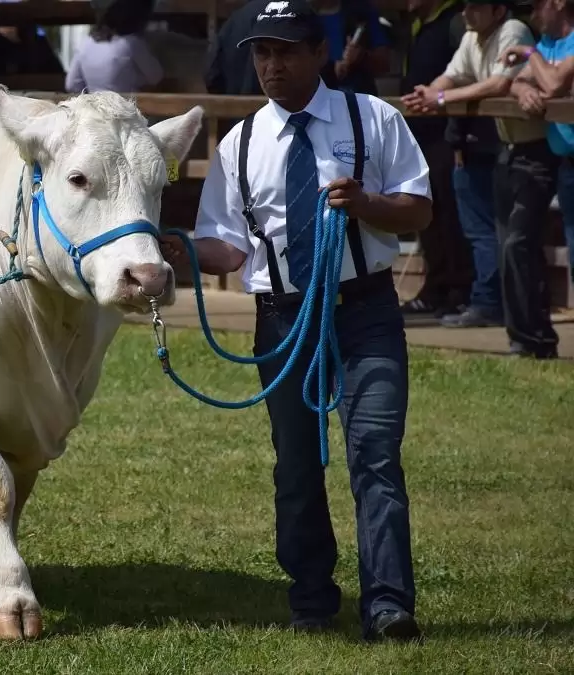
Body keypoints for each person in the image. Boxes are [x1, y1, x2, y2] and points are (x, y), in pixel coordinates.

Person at [161, 0, 430, 642]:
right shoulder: (240, 144)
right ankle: (311, 600)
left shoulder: (374, 118)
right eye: (262, 53)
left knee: (374, 454)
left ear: (318, 53)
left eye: (285, 51)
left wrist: (367, 204)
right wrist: (175, 249)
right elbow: (229, 248)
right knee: (297, 465)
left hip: (364, 312)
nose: (271, 66)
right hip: (283, 321)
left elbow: (419, 210)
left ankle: (388, 605)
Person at [404, 0, 542, 330]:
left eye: (476, 7)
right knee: (484, 232)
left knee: (512, 237)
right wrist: (428, 93)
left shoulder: (513, 30)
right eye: (466, 6)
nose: (467, 13)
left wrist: (440, 99)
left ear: (498, 11)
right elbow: (451, 76)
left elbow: (498, 83)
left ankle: (501, 308)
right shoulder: (471, 35)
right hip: (498, 146)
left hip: (528, 148)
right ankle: (489, 304)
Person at [501, 0, 573, 357]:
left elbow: (556, 84)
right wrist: (524, 90)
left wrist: (530, 54)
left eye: (537, 6)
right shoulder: (547, 46)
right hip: (565, 164)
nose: (532, 16)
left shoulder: (547, 47)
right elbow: (517, 82)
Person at [396, 0, 478, 320]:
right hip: (420, 138)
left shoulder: (454, 23)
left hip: (447, 136)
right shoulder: (417, 25)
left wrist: (458, 136)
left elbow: (465, 76)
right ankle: (436, 288)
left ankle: (459, 292)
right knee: (428, 214)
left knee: (452, 218)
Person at [64, 0, 164, 93]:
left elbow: (71, 85)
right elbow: (156, 77)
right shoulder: (131, 43)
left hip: (94, 103)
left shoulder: (85, 43)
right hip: (125, 104)